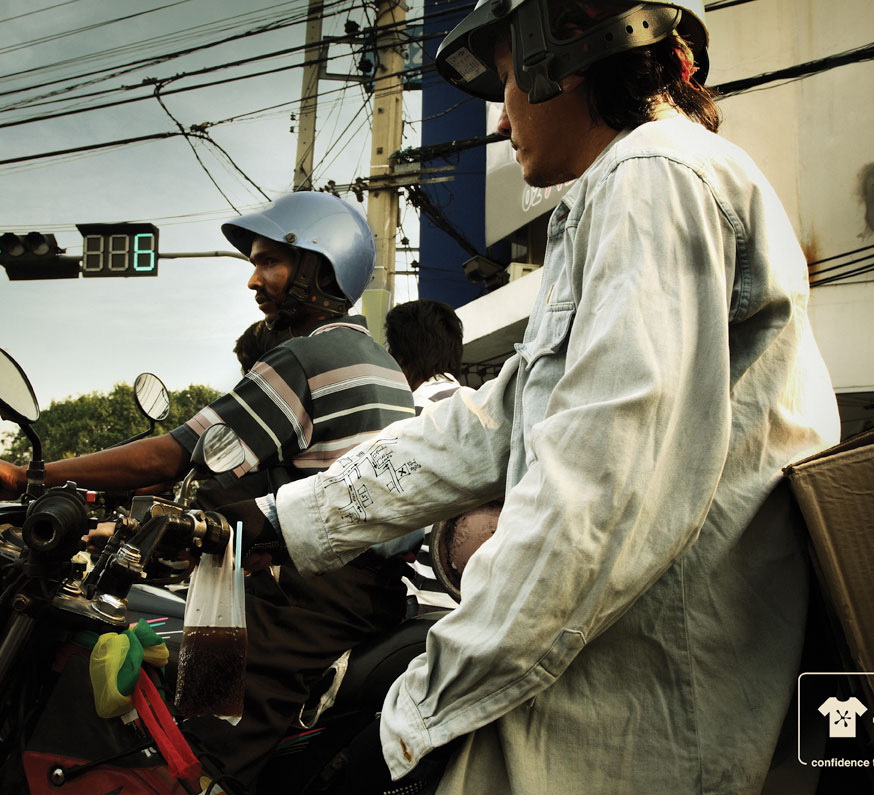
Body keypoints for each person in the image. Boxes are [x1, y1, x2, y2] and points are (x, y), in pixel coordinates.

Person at [256, 0, 842, 792]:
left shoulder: (651, 178)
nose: (501, 121)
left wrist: (414, 721)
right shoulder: (626, 188)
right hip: (611, 680)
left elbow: (597, 491)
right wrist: (281, 519)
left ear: (556, 57)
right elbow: (492, 425)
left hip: (642, 704)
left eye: (505, 82)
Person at [0, 191, 417, 792]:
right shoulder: (375, 359)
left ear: (319, 265)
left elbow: (170, 454)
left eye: (270, 263)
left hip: (313, 591)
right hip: (364, 587)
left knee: (197, 737)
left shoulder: (307, 356)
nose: (254, 281)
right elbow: (202, 466)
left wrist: (31, 475)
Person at [383, 299, 467, 611]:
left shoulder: (406, 414)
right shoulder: (479, 406)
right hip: (471, 594)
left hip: (423, 594)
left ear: (400, 357)